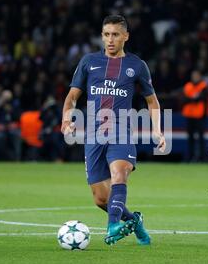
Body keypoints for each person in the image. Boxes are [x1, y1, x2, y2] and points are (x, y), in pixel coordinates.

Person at [61, 15, 166, 246]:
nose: (110, 40)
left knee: (120, 174)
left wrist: (157, 130)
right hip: (94, 134)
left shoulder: (137, 65)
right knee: (100, 198)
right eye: (106, 34)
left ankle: (113, 225)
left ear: (125, 36)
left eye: (115, 34)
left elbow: (152, 102)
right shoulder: (89, 61)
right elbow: (72, 97)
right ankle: (134, 222)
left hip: (121, 132)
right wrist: (67, 119)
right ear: (101, 36)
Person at [181, 70, 208, 162]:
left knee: (201, 138)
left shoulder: (203, 86)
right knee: (190, 138)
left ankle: (202, 157)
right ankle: (190, 157)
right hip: (189, 115)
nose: (195, 77)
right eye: (193, 76)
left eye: (197, 76)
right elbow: (184, 99)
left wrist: (192, 99)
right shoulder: (188, 86)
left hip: (200, 115)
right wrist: (194, 98)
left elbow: (203, 98)